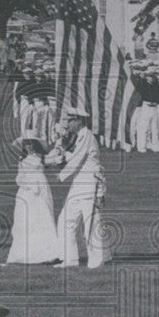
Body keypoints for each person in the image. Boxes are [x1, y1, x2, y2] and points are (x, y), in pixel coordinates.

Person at [52, 106, 110, 269]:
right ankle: (69, 259)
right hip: (78, 185)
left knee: (91, 224)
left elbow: (77, 159)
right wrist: (59, 150)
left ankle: (97, 260)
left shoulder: (87, 137)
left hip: (90, 185)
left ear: (78, 121)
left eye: (68, 121)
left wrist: (62, 175)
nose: (66, 124)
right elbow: (69, 156)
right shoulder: (78, 137)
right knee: (65, 220)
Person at [6, 134, 59, 264]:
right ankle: (25, 253)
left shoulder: (40, 158)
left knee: (43, 217)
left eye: (30, 143)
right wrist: (27, 184)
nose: (28, 146)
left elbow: (53, 159)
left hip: (40, 188)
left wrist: (59, 147)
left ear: (35, 145)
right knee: (25, 220)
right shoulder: (22, 159)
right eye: (26, 144)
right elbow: (19, 177)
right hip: (27, 191)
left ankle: (48, 253)